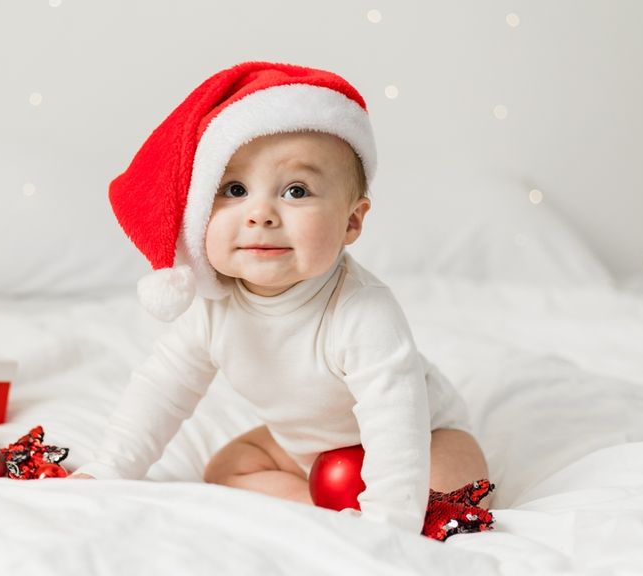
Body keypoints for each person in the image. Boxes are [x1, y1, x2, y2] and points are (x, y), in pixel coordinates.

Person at [73, 62, 490, 535]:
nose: (260, 214)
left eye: (296, 190)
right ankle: (321, 506)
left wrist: (388, 528)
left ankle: (357, 514)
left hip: (423, 436)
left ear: (352, 222)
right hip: (304, 451)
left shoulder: (364, 311)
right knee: (227, 469)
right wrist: (108, 468)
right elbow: (160, 391)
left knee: (454, 479)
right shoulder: (214, 308)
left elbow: (396, 428)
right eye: (234, 189)